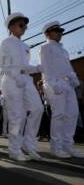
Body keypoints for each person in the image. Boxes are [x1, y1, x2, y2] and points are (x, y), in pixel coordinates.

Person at [0, 12, 43, 161]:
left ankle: (28, 145)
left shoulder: (25, 46)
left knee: (38, 108)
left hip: (26, 79)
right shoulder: (6, 42)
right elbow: (4, 65)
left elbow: (25, 66)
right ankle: (14, 149)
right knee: (17, 116)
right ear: (11, 27)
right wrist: (17, 77)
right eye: (20, 24)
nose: (24, 28)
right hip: (11, 80)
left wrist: (36, 68)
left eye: (25, 25)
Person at [39, 21, 84, 158]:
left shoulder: (63, 50)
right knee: (59, 115)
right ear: (48, 33)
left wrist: (73, 78)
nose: (60, 33)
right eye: (57, 31)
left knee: (72, 114)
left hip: (67, 84)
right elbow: (45, 67)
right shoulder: (46, 47)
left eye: (60, 31)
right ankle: (56, 147)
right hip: (55, 83)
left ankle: (68, 146)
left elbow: (68, 67)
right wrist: (52, 84)